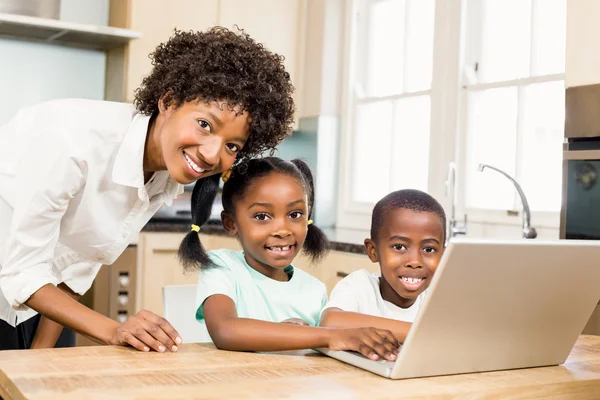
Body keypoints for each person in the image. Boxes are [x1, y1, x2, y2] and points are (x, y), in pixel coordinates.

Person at [0, 27, 295, 351]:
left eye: (232, 145)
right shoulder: (73, 145)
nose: (212, 154)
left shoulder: (163, 172)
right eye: (204, 124)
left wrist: (42, 358)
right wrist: (115, 330)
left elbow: (79, 263)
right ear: (168, 101)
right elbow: (23, 272)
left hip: (38, 301)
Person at [181, 157, 400, 361]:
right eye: (262, 216)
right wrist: (324, 336)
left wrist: (306, 337)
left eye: (295, 214)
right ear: (231, 223)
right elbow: (225, 330)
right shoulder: (221, 266)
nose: (282, 230)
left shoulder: (314, 290)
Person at [320, 189, 446, 342]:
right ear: (373, 251)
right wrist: (423, 334)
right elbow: (330, 322)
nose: (415, 262)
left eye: (428, 249)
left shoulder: (437, 300)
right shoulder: (360, 286)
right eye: (399, 247)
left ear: (443, 255)